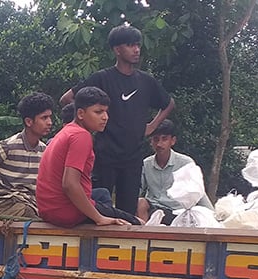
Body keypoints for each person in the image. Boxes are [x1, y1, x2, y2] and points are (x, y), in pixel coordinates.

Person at [59, 24, 174, 215]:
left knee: (128, 213)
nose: (136, 49)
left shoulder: (146, 81)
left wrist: (152, 126)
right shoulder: (102, 78)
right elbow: (67, 99)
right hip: (104, 156)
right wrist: (84, 127)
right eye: (130, 45)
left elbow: (169, 103)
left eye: (138, 44)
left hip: (133, 158)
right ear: (117, 49)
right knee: (98, 208)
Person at [36, 87, 139, 227]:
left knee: (102, 195)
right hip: (67, 211)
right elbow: (70, 184)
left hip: (49, 210)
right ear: (80, 113)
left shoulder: (66, 131)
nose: (105, 117)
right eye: (98, 112)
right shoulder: (81, 136)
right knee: (136, 222)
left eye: (106, 111)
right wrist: (99, 218)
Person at [0, 92, 54, 221]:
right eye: (44, 118)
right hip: (9, 204)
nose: (50, 122)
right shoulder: (9, 147)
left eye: (50, 117)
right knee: (35, 221)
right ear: (29, 121)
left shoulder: (44, 150)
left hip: (33, 206)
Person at [137, 119, 214, 224]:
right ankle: (143, 238)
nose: (159, 144)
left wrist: (213, 216)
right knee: (140, 203)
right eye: (156, 139)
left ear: (172, 141)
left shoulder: (185, 162)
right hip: (154, 209)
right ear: (151, 141)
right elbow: (138, 190)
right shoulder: (146, 164)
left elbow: (198, 192)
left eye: (164, 139)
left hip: (177, 212)